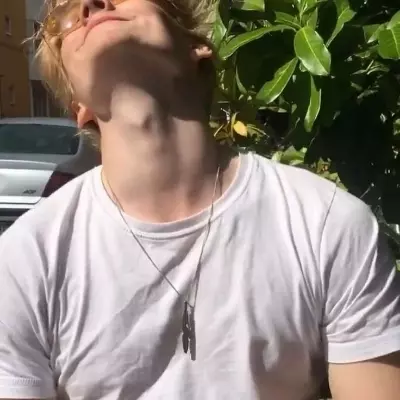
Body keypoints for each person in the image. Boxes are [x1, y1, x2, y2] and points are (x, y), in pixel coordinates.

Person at [0, 0, 400, 398]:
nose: (91, 5)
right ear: (79, 108)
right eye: (66, 20)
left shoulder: (326, 223)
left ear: (198, 47)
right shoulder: (25, 260)